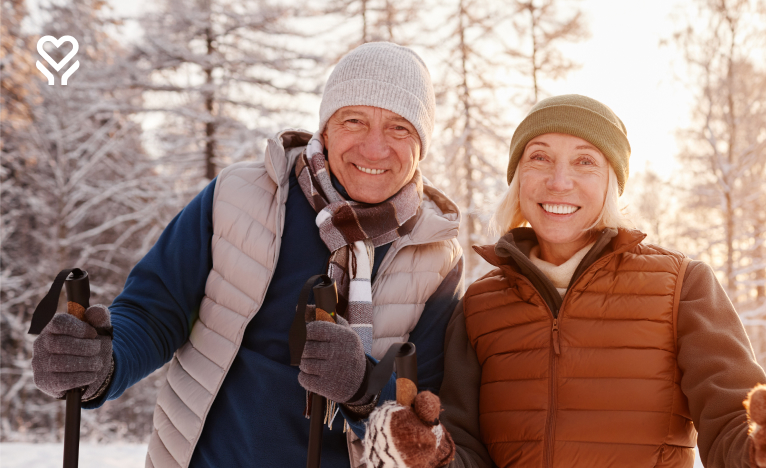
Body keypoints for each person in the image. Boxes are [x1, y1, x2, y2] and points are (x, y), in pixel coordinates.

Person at [30, 42, 464, 468]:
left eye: (399, 128)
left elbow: (425, 416)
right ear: (325, 129)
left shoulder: (437, 256)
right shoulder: (238, 196)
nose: (374, 148)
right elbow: (155, 311)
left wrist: (363, 386)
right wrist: (102, 362)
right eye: (354, 120)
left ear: (422, 145)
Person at [363, 95, 766, 468]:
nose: (559, 181)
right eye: (540, 158)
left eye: (585, 161)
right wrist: (428, 453)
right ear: (518, 178)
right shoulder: (480, 305)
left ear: (612, 181)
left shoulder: (681, 285)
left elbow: (730, 421)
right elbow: (466, 448)